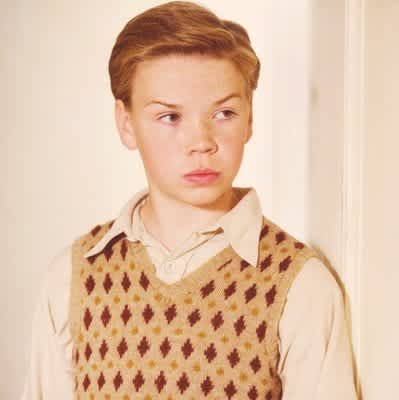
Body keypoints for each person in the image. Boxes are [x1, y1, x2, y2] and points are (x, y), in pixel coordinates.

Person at [21, 1, 358, 399]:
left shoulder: (300, 287)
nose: (201, 142)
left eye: (224, 113)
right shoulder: (72, 280)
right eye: (170, 117)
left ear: (250, 118)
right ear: (126, 123)